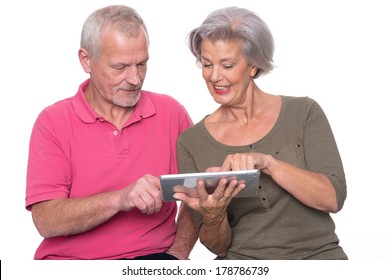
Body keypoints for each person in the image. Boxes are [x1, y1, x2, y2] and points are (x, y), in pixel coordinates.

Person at [174, 6, 348, 259]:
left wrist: (268, 163)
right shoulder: (191, 142)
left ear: (253, 65)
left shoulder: (304, 112)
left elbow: (332, 198)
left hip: (319, 258)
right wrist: (214, 214)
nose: (214, 76)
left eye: (228, 64)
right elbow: (218, 246)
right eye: (207, 64)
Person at [25, 5, 195, 260]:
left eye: (142, 64)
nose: (135, 79)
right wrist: (119, 199)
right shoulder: (52, 122)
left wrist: (177, 255)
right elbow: (46, 220)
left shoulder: (171, 113)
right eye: (120, 67)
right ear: (86, 60)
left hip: (151, 260)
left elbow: (200, 196)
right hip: (70, 264)